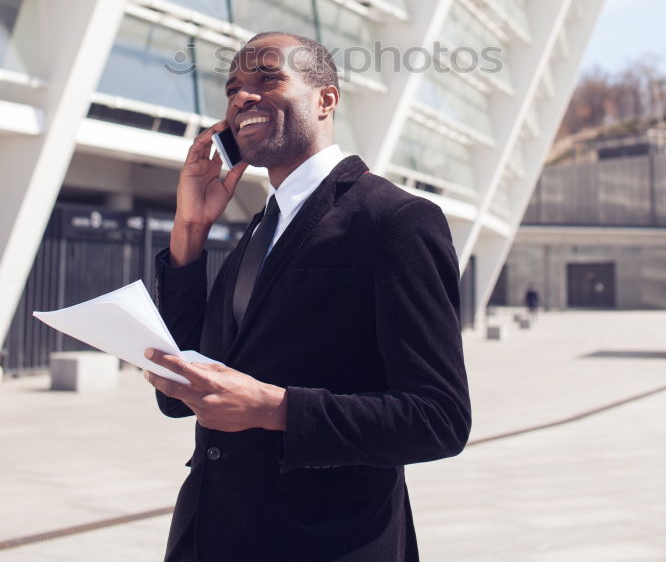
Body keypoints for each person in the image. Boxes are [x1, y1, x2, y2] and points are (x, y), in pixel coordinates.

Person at [144, 31, 471, 562]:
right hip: (212, 536)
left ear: (326, 99)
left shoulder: (395, 221)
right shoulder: (258, 231)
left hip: (326, 542)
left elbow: (439, 419)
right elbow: (176, 400)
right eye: (233, 88)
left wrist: (276, 409)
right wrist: (189, 232)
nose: (242, 97)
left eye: (267, 78)